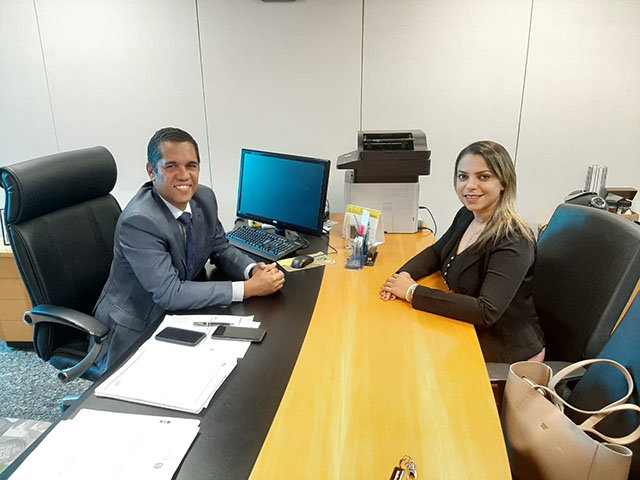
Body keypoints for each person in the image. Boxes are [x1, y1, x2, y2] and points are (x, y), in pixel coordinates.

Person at [93, 127, 284, 371]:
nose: (184, 176)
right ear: (152, 171)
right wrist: (248, 289)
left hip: (184, 312)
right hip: (138, 327)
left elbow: (220, 247)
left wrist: (253, 270)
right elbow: (169, 293)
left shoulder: (204, 198)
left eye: (191, 165)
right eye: (171, 166)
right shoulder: (139, 221)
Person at [380, 141, 544, 363]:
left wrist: (412, 292)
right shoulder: (467, 215)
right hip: (466, 327)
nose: (470, 186)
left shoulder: (513, 239)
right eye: (463, 176)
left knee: (410, 358)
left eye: (483, 177)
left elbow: (486, 311)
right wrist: (402, 276)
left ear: (503, 182)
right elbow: (437, 252)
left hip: (503, 349)